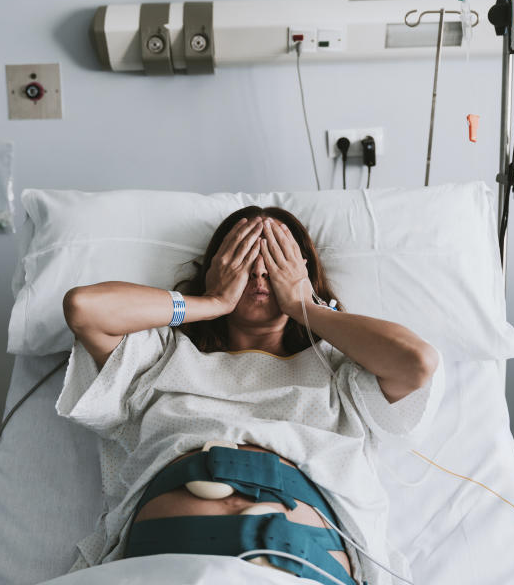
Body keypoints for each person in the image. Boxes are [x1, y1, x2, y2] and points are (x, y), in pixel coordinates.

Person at [60, 206, 442, 585]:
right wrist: (210, 303)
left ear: (303, 273)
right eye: (245, 257)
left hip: (295, 558)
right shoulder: (162, 354)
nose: (260, 272)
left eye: (276, 260)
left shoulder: (338, 368)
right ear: (216, 268)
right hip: (171, 559)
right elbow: (84, 308)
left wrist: (305, 306)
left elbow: (417, 361)